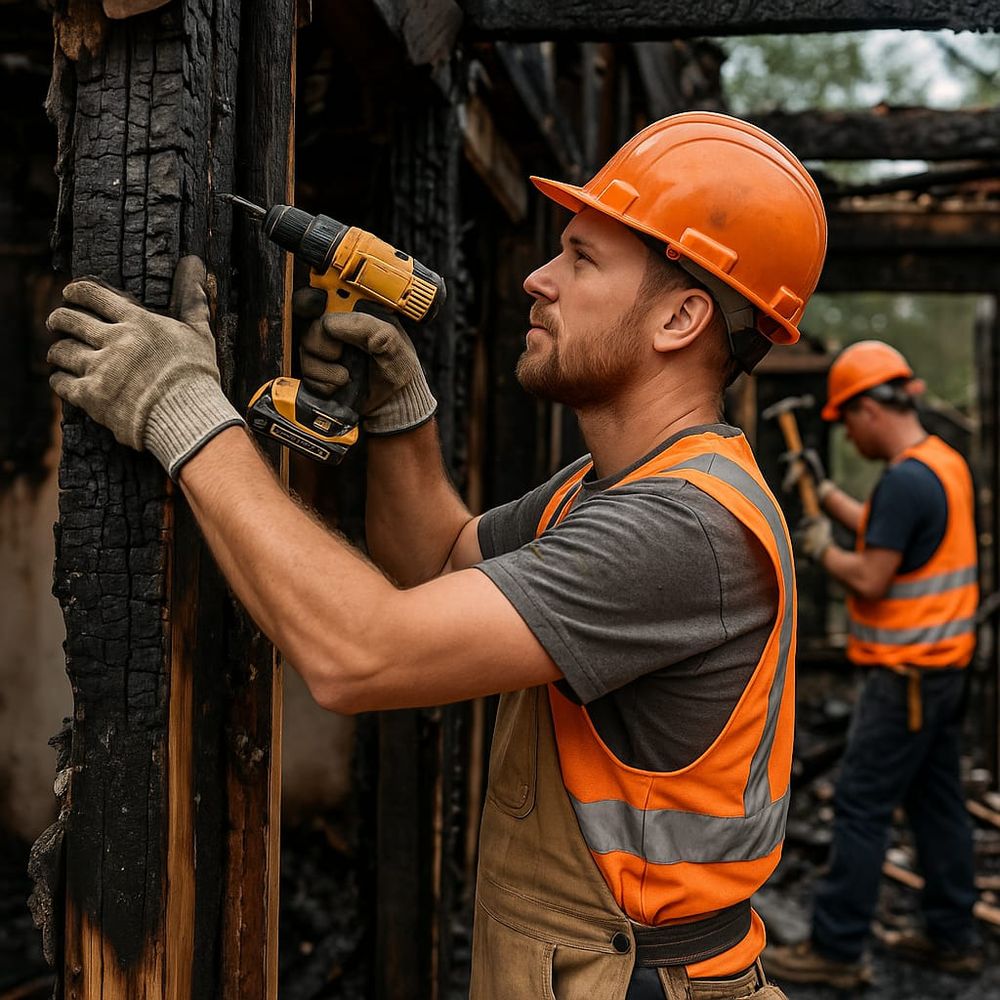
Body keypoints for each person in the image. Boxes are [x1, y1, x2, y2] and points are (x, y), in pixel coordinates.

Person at [46, 112, 826, 1000]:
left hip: (642, 982)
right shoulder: (612, 486)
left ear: (683, 316)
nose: (538, 279)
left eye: (581, 258)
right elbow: (445, 561)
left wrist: (182, 407)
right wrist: (401, 408)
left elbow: (361, 653)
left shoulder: (682, 529)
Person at [764, 340, 981, 988]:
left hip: (903, 678)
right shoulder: (941, 465)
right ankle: (953, 938)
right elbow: (889, 530)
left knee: (860, 804)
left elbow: (872, 576)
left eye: (845, 422)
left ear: (868, 410)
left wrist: (821, 552)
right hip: (943, 673)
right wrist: (826, 494)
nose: (848, 436)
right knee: (938, 805)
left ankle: (835, 950)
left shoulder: (906, 481)